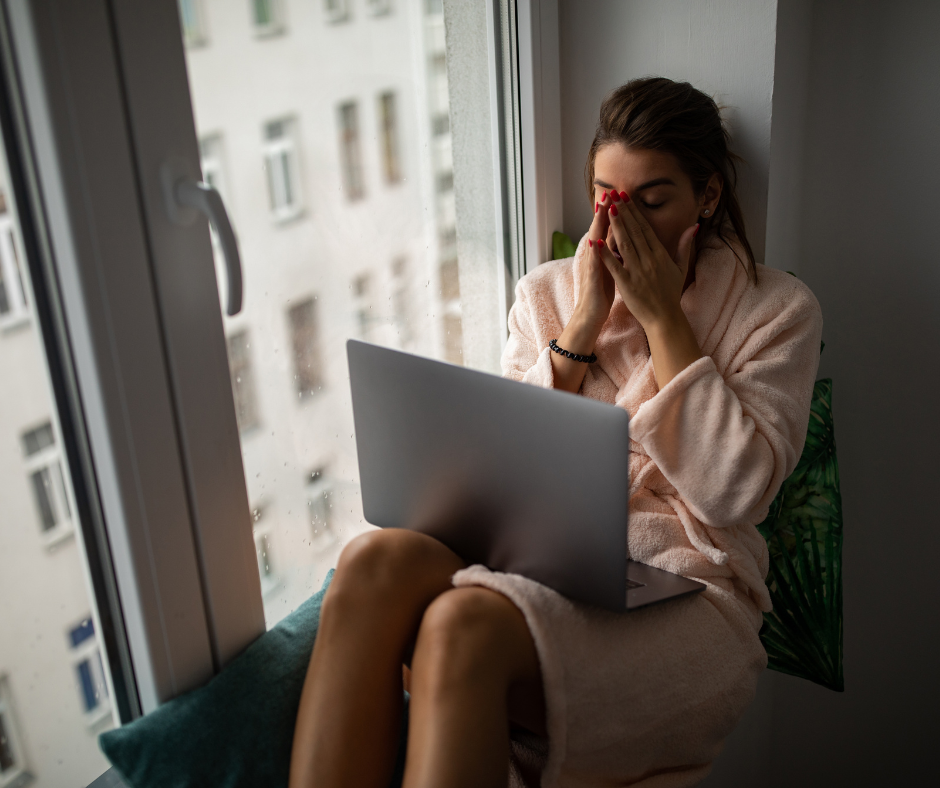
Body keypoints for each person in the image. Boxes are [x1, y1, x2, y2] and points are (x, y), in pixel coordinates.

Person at [288, 77, 823, 788]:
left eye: (652, 199)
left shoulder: (777, 310)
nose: (623, 221)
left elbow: (735, 494)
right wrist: (580, 330)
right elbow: (497, 478)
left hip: (692, 589)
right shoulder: (546, 294)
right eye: (607, 197)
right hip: (546, 555)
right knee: (370, 563)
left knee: (460, 627)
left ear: (709, 196)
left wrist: (665, 320)